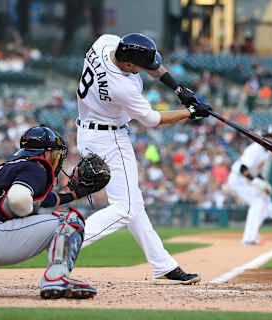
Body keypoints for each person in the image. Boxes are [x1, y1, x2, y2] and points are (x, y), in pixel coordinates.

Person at [75, 33, 212, 284]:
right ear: (128, 64)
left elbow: (154, 63)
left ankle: (163, 265)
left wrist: (178, 88)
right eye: (138, 66)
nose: (145, 69)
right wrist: (190, 112)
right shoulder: (121, 86)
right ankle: (68, 240)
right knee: (125, 208)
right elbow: (151, 120)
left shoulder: (105, 42)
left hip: (89, 131)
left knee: (133, 205)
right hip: (109, 139)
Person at [0, 127, 97, 299]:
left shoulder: (7, 168)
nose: (57, 158)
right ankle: (57, 278)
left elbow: (40, 200)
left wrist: (75, 194)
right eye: (55, 153)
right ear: (46, 153)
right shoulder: (35, 167)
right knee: (71, 219)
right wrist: (26, 214)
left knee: (1, 223)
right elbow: (18, 199)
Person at [226, 131, 272, 245]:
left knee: (263, 204)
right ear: (264, 138)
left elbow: (255, 171)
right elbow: (243, 169)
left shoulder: (267, 151)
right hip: (238, 179)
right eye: (269, 137)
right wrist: (256, 182)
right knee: (257, 203)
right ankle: (249, 237)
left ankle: (252, 233)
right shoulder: (254, 149)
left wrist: (263, 182)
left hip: (246, 179)